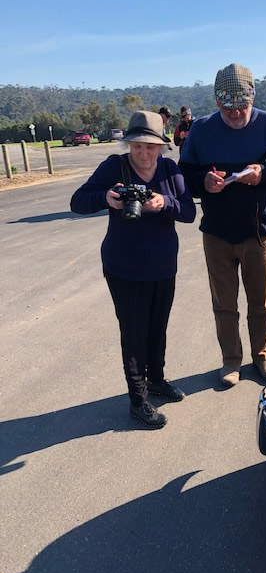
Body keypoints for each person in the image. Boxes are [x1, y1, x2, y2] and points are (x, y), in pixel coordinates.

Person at [179, 63, 266, 388]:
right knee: (224, 304)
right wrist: (203, 181)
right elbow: (183, 176)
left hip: (258, 234)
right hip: (217, 234)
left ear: (253, 98)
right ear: (216, 101)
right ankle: (231, 360)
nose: (236, 113)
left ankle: (262, 355)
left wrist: (265, 174)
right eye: (228, 107)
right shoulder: (202, 130)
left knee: (260, 303)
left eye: (242, 106)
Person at [70, 111, 196, 428]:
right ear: (129, 144)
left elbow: (188, 212)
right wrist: (106, 198)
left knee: (158, 327)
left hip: (163, 266)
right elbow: (77, 201)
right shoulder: (115, 166)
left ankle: (157, 379)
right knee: (134, 332)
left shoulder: (169, 169)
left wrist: (164, 203)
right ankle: (138, 400)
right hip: (124, 268)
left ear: (161, 147)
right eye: (137, 146)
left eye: (150, 147)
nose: (143, 153)